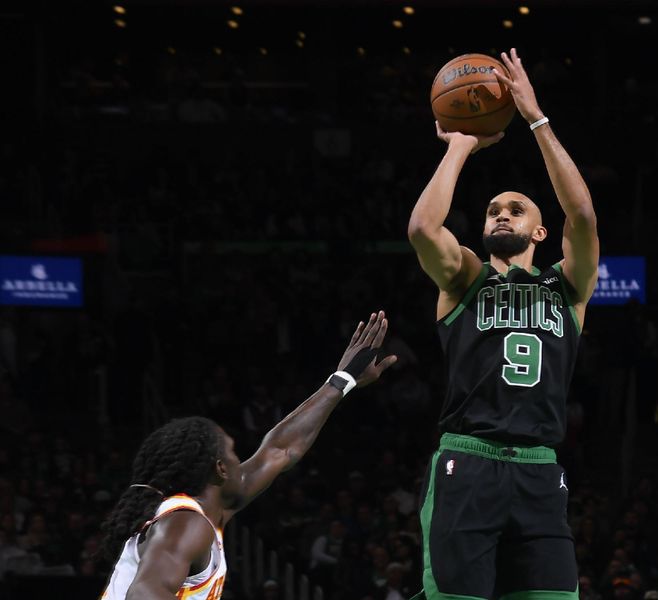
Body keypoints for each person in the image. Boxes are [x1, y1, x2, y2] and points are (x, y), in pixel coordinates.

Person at [407, 48, 599, 600]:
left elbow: (582, 216)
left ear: (541, 234)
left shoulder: (567, 287)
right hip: (468, 460)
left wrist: (535, 118)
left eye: (516, 209)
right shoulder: (465, 279)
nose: (501, 214)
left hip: (540, 471)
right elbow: (423, 228)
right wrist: (461, 147)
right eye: (493, 209)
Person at [100, 311, 397, 600]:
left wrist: (342, 380)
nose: (240, 459)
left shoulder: (212, 509)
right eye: (232, 452)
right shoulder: (185, 524)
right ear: (220, 470)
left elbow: (279, 450)